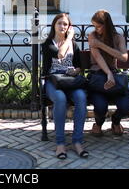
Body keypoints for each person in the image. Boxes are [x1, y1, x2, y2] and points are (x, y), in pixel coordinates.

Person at [41, 13, 88, 159]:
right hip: (53, 81)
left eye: (65, 24)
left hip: (70, 80)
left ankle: (77, 141)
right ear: (54, 25)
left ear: (69, 27)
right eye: (59, 23)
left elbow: (80, 66)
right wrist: (68, 38)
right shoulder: (48, 44)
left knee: (81, 97)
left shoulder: (73, 45)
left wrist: (76, 70)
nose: (62, 26)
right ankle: (60, 143)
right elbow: (60, 55)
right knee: (60, 99)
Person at [87, 9, 129, 136]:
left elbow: (124, 57)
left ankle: (116, 121)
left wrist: (101, 45)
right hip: (98, 77)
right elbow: (98, 57)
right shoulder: (92, 36)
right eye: (94, 26)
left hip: (114, 75)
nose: (96, 29)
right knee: (100, 108)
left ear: (106, 25)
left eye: (99, 26)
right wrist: (108, 74)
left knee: (126, 108)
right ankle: (98, 124)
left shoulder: (118, 38)